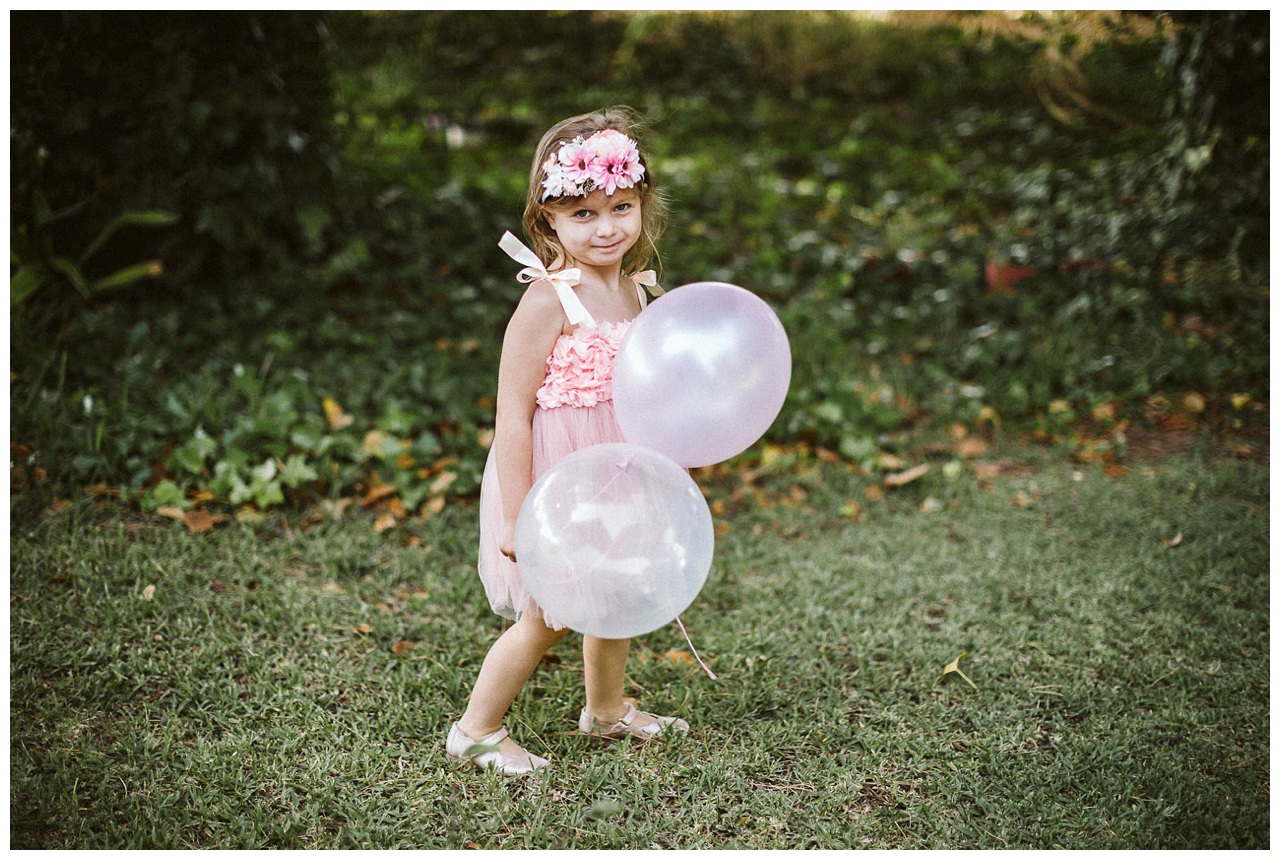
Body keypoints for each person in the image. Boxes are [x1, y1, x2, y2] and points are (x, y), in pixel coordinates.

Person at [446, 108, 689, 775]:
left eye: (621, 206)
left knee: (616, 594)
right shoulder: (550, 299)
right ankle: (477, 728)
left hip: (617, 469)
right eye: (583, 214)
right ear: (545, 219)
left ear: (642, 204)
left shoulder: (636, 290)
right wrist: (516, 512)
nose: (607, 227)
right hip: (559, 478)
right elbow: (512, 412)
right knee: (551, 614)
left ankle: (605, 712)